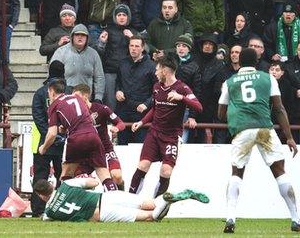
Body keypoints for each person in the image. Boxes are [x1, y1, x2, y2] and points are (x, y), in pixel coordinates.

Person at [217, 48, 299, 233]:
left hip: (242, 129)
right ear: (256, 62)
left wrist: (236, 114)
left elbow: (220, 113)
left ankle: (230, 217)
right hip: (264, 128)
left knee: (236, 173)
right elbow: (279, 108)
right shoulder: (267, 78)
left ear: (240, 62)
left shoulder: (229, 82)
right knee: (280, 171)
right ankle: (296, 218)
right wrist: (289, 137)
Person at [129, 54, 203, 197]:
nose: (155, 73)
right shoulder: (157, 87)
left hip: (171, 136)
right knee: (143, 165)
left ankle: (156, 206)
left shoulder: (182, 88)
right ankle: (130, 199)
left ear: (164, 71)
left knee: (166, 171)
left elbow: (199, 107)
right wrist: (142, 122)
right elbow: (155, 108)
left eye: (157, 70)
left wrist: (181, 98)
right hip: (154, 133)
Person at [38, 79, 117, 191]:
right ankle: (113, 198)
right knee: (103, 172)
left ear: (52, 92)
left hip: (76, 138)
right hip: (93, 136)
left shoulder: (54, 105)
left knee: (66, 172)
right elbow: (87, 119)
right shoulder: (76, 98)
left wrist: (44, 147)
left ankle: (65, 201)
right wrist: (66, 127)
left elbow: (52, 133)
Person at [33, 177, 209, 222]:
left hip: (102, 213)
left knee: (150, 217)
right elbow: (94, 182)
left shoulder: (50, 213)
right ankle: (169, 196)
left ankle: (169, 200)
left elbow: (45, 218)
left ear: (42, 195)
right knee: (151, 204)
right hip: (106, 197)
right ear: (51, 185)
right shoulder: (67, 185)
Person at [30, 60, 67, 216]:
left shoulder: (40, 92)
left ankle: (38, 210)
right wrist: (60, 136)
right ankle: (62, 207)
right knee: (64, 177)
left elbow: (38, 118)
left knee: (40, 177)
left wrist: (48, 136)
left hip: (42, 142)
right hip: (64, 142)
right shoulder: (69, 92)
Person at [72, 84, 126, 190]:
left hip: (105, 149)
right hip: (86, 153)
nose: (73, 100)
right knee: (79, 180)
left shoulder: (101, 109)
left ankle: (120, 193)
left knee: (117, 176)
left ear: (85, 96)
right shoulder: (74, 113)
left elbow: (121, 123)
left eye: (76, 96)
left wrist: (117, 128)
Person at [115, 35, 156, 144]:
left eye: (137, 46)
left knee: (139, 146)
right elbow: (118, 81)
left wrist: (147, 104)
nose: (133, 48)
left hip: (141, 111)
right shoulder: (122, 63)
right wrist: (118, 91)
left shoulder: (152, 66)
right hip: (123, 109)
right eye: (131, 45)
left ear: (143, 48)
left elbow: (157, 91)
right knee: (122, 145)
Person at [96, 4, 137, 110]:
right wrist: (101, 42)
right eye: (119, 15)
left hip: (128, 73)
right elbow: (99, 52)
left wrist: (132, 38)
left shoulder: (133, 31)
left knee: (127, 101)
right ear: (115, 17)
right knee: (110, 101)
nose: (122, 17)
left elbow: (144, 50)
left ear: (128, 17)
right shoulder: (108, 31)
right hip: (110, 71)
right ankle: (111, 124)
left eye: (124, 15)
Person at [50, 23, 105, 102]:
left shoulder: (93, 54)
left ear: (87, 38)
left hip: (86, 99)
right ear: (72, 36)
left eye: (83, 35)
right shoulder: (61, 52)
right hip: (65, 99)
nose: (80, 37)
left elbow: (99, 77)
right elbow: (53, 76)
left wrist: (98, 98)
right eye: (77, 34)